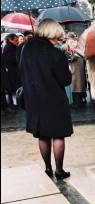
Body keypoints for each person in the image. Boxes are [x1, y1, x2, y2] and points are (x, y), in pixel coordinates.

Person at [19, 19, 72, 179]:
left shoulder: (25, 49)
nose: (58, 39)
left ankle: (48, 168)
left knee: (42, 135)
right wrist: (68, 70)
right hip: (54, 100)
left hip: (34, 99)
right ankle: (59, 170)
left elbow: (21, 71)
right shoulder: (56, 54)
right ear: (52, 33)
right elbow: (65, 80)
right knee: (57, 135)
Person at [66, 35, 87, 108]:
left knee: (76, 87)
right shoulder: (79, 49)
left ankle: (77, 103)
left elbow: (72, 58)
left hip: (76, 71)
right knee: (78, 87)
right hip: (78, 70)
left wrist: (68, 58)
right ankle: (80, 101)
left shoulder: (75, 51)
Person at [2, 33, 21, 110]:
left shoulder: (12, 46)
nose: (17, 42)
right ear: (10, 40)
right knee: (13, 88)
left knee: (14, 87)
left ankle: (15, 102)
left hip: (13, 71)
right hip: (12, 72)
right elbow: (11, 59)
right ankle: (14, 103)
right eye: (16, 40)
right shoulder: (9, 47)